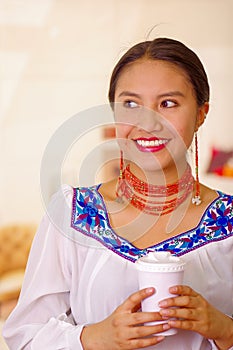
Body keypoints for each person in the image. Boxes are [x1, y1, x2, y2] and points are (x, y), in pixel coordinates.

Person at [3, 37, 233, 350]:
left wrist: (224, 330)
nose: (148, 123)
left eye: (168, 103)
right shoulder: (73, 214)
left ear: (201, 113)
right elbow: (24, 337)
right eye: (131, 104)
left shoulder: (229, 225)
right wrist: (93, 338)